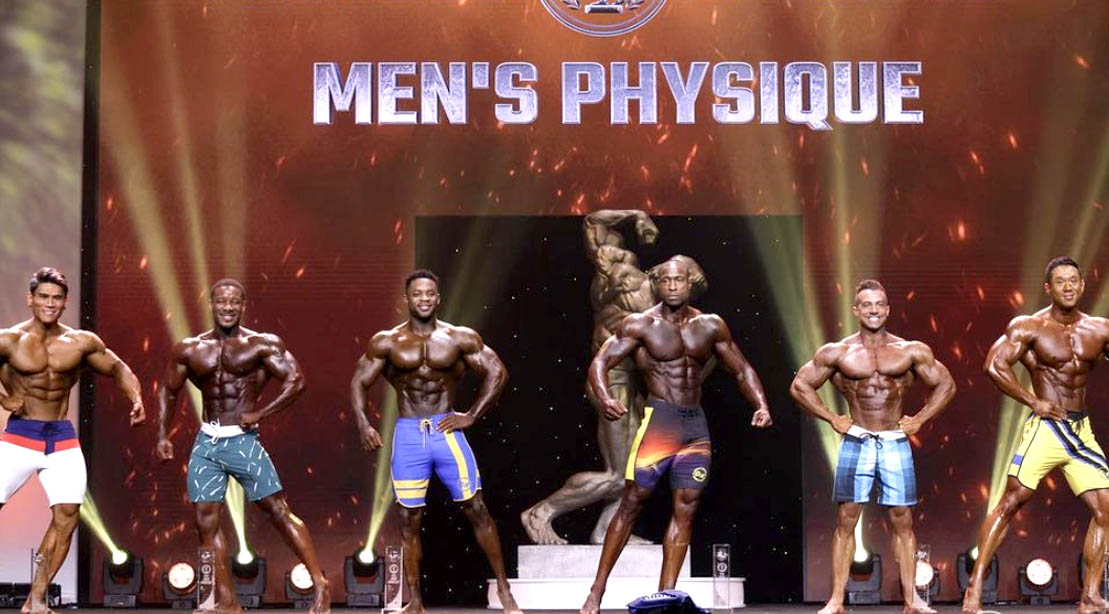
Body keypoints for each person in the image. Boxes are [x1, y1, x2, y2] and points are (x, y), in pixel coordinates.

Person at [580, 256, 771, 614]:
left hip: (694, 426)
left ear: (689, 283)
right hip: (660, 423)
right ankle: (596, 591)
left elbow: (742, 369)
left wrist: (760, 404)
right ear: (655, 284)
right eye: (665, 280)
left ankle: (665, 598)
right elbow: (601, 362)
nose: (671, 286)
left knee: (686, 507)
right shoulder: (639, 324)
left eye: (678, 280)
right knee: (633, 501)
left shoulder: (710, 325)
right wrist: (605, 398)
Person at [351, 269, 522, 614]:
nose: (424, 299)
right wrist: (363, 424)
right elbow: (358, 381)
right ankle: (415, 600)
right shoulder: (387, 341)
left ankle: (505, 591)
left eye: (430, 293)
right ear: (407, 299)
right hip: (408, 434)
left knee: (476, 508)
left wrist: (472, 414)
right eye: (417, 294)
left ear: (438, 298)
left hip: (446, 431)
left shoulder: (459, 338)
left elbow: (497, 371)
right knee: (408, 518)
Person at [156, 279, 329, 614]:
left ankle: (320, 582)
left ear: (243, 305)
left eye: (234, 302)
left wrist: (262, 413)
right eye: (222, 301)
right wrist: (162, 435)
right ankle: (228, 601)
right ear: (211, 304)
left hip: (243, 442)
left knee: (277, 510)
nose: (228, 307)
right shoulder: (190, 348)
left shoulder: (262, 344)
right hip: (207, 443)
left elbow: (297, 381)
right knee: (205, 521)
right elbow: (167, 390)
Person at [791, 279, 955, 614]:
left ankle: (912, 600)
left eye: (879, 304)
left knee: (902, 519)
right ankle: (836, 600)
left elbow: (947, 385)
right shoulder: (837, 352)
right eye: (866, 305)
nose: (873, 310)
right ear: (856, 310)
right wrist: (831, 418)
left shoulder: (910, 350)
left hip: (894, 441)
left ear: (888, 309)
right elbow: (800, 386)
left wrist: (920, 419)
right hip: (858, 439)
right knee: (847, 518)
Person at [962, 257, 1109, 614]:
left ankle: (1090, 597)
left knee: (1106, 509)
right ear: (1048, 288)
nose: (1068, 287)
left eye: (1074, 280)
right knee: (1011, 502)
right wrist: (1033, 401)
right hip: (1046, 429)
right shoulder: (1029, 326)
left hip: (1080, 431)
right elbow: (994, 365)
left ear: (1082, 285)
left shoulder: (1100, 329)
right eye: (1061, 281)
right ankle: (974, 592)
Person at [0, 267, 145, 614]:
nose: (50, 304)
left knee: (67, 517)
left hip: (61, 438)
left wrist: (137, 398)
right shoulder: (9, 340)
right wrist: (3, 399)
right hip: (20, 437)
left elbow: (118, 368)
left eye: (57, 298)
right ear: (31, 299)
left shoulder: (80, 342)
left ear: (65, 302)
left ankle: (36, 599)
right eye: (43, 297)